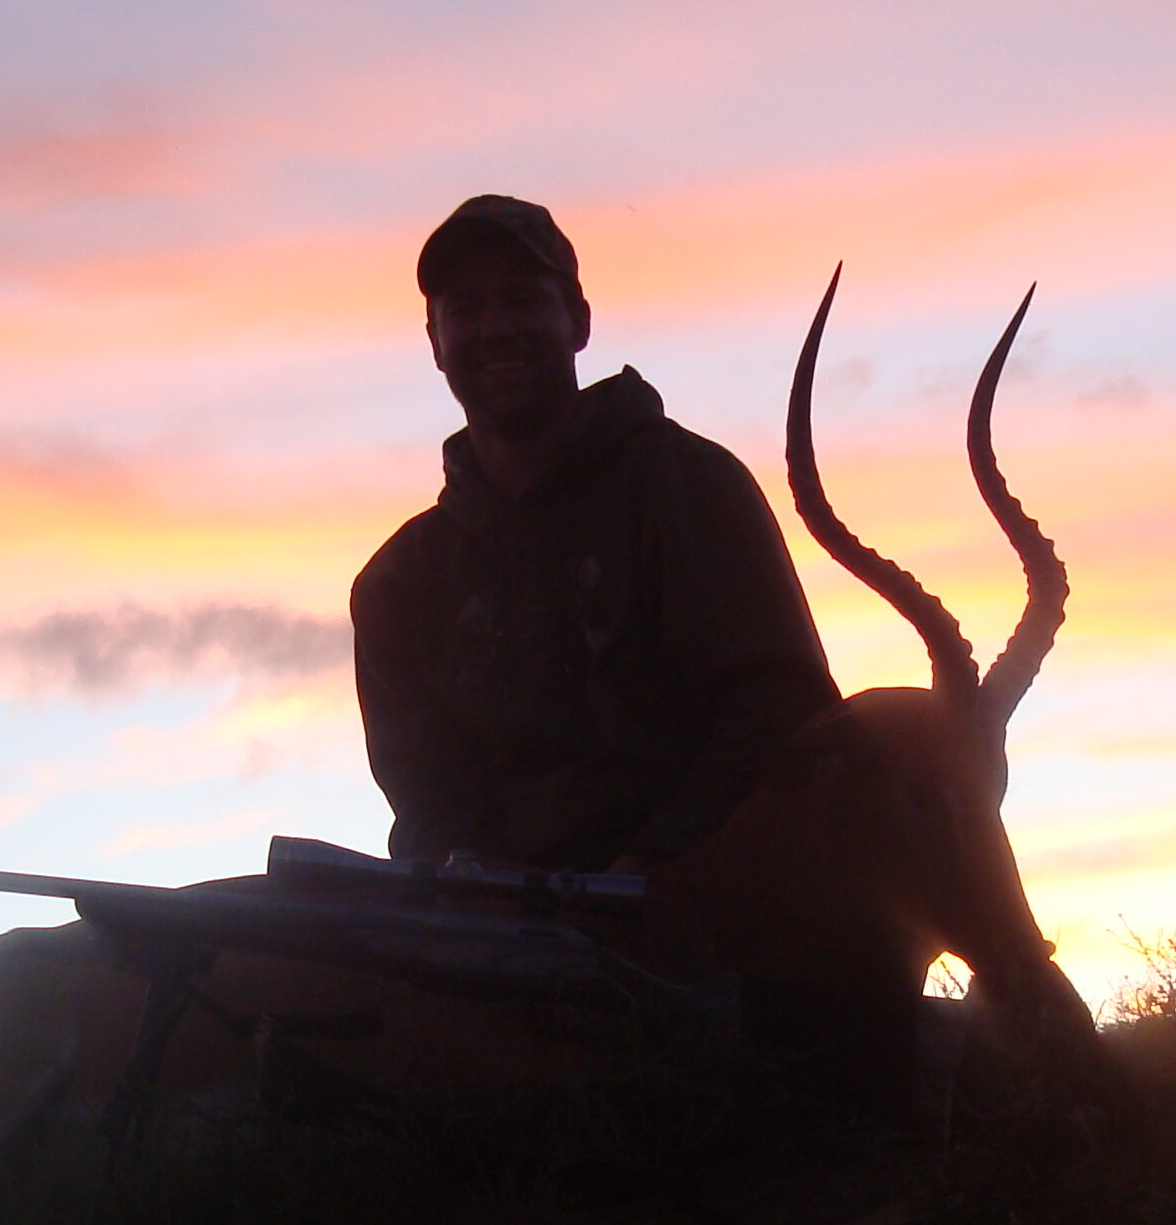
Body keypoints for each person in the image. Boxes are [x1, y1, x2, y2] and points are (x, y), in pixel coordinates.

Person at [350, 196, 840, 875]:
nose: (495, 330)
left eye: (522, 300)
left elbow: (784, 710)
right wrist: (481, 900)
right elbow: (429, 801)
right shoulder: (396, 584)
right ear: (434, 342)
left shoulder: (691, 486)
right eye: (465, 310)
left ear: (578, 322)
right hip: (490, 944)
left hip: (705, 922)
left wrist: (650, 867)